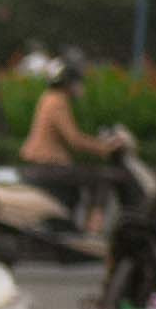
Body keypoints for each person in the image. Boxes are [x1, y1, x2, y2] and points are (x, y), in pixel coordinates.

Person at [19, 58, 116, 221]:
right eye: (77, 81)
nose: (80, 86)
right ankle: (95, 230)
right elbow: (75, 140)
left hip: (42, 163)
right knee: (101, 178)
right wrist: (105, 148)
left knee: (77, 188)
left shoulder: (48, 97)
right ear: (68, 83)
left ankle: (73, 225)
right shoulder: (58, 102)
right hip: (48, 165)